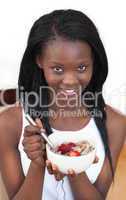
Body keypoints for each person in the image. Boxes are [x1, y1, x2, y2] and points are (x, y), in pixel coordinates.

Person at [0, 9, 126, 200]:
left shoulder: (114, 123)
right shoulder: (9, 123)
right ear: (39, 61)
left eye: (82, 67)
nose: (70, 80)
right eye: (58, 68)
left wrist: (71, 164)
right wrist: (37, 164)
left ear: (94, 62)